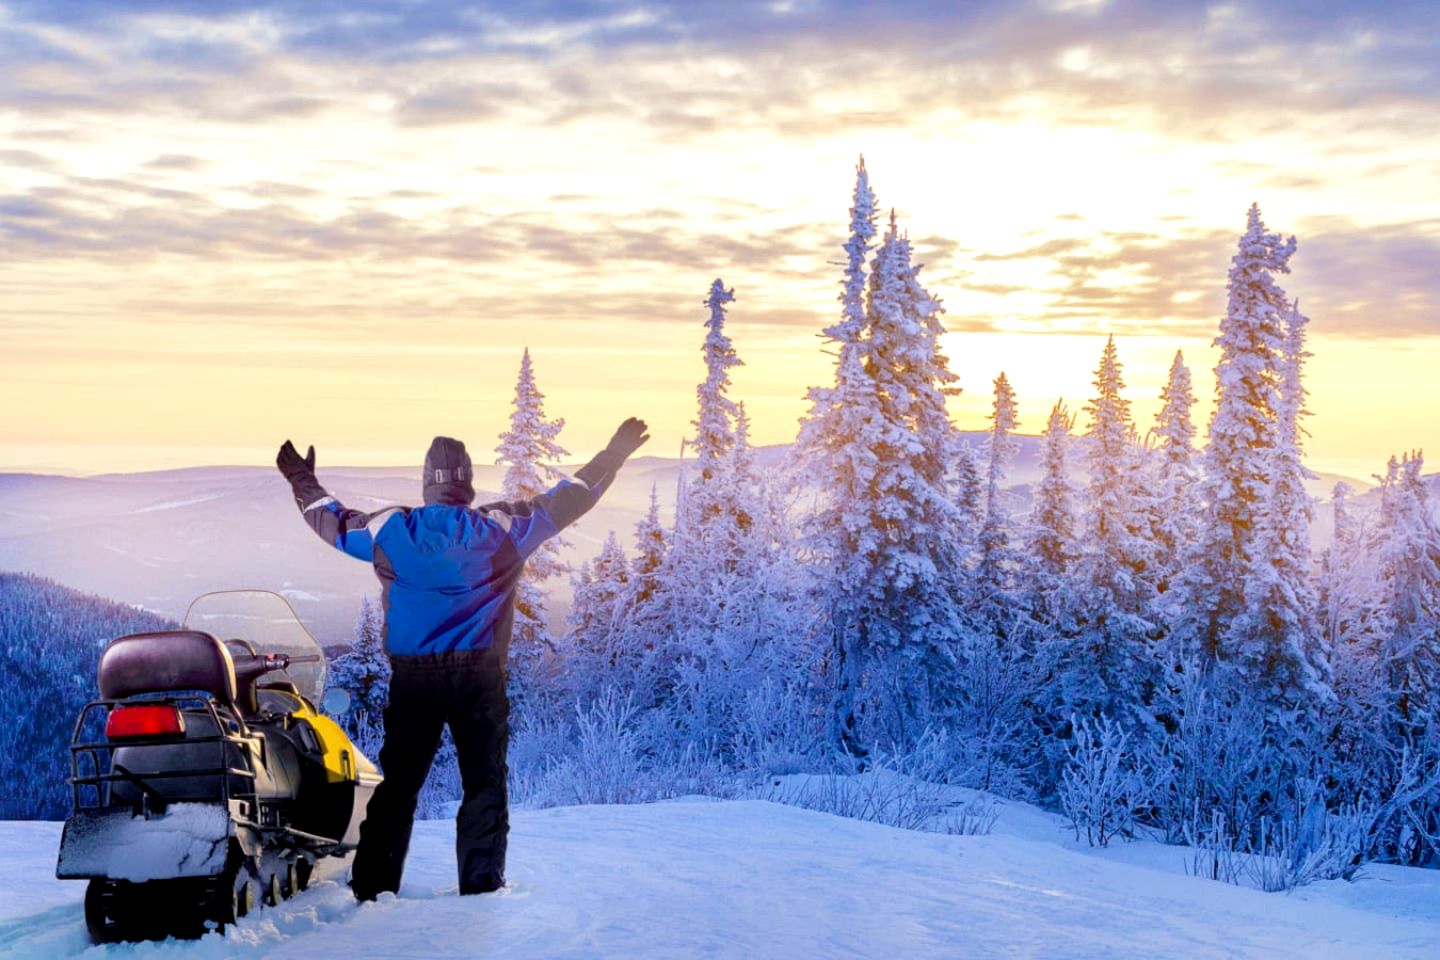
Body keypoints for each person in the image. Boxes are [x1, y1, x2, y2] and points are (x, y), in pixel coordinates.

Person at [275, 418, 649, 900]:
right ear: (467, 482)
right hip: (479, 677)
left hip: (413, 679)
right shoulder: (502, 528)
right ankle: (481, 889)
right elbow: (572, 497)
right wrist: (615, 452)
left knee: (399, 786)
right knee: (484, 784)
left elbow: (331, 521)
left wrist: (300, 478)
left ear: (426, 482)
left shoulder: (394, 529)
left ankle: (372, 890)